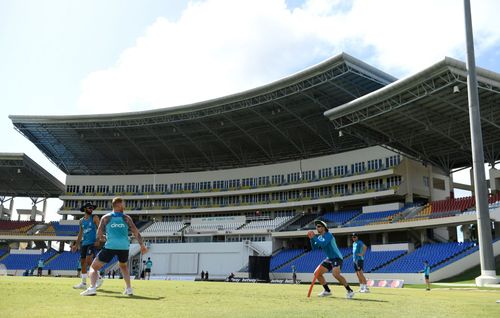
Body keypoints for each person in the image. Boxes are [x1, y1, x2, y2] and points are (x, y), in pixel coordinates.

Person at [80, 197, 148, 296]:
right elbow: (136, 232)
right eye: (124, 203)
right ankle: (129, 289)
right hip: (124, 247)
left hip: (110, 246)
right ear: (119, 205)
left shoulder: (106, 217)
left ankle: (92, 288)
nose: (125, 205)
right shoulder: (126, 218)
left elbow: (98, 234)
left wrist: (103, 238)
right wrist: (142, 245)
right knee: (123, 266)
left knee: (94, 267)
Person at [308, 220, 354, 299]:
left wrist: (314, 237)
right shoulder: (319, 237)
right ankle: (327, 291)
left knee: (335, 274)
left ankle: (350, 291)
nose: (317, 228)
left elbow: (323, 244)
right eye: (316, 227)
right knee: (317, 273)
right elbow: (314, 247)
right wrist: (311, 239)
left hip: (336, 257)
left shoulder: (329, 235)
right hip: (329, 258)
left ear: (324, 228)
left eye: (319, 226)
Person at [72, 202, 103, 290]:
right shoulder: (81, 221)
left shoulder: (95, 217)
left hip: (92, 243)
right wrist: (75, 245)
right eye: (89, 207)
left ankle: (99, 278)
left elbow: (100, 229)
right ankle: (83, 283)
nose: (91, 209)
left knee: (89, 261)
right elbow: (80, 234)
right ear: (85, 209)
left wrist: (98, 240)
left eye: (92, 208)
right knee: (82, 262)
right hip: (84, 243)